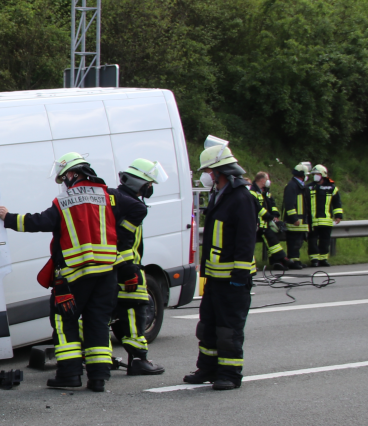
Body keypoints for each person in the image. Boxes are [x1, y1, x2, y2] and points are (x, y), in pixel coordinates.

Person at [0, 152, 119, 392]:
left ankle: (69, 375)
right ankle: (98, 378)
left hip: (74, 276)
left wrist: (8, 218)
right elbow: (133, 215)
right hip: (107, 274)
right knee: (98, 322)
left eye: (64, 177)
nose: (63, 183)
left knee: (64, 322)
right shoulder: (109, 195)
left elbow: (39, 222)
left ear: (73, 173)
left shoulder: (64, 202)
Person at [183, 141, 257, 391]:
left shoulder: (241, 198)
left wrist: (239, 273)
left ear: (218, 172)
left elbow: (246, 239)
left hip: (233, 280)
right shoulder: (220, 196)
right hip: (215, 278)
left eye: (208, 171)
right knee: (208, 326)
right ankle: (207, 368)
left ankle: (229, 374)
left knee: (229, 329)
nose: (206, 176)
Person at [109, 158, 166, 376]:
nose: (150, 188)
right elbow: (123, 239)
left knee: (102, 313)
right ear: (138, 183)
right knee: (135, 310)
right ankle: (139, 360)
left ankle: (98, 359)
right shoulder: (134, 206)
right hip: (126, 268)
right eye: (148, 184)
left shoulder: (114, 197)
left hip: (108, 268)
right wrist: (130, 270)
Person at [250, 171, 291, 269]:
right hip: (257, 224)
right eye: (267, 179)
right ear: (262, 180)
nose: (269, 181)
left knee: (273, 241)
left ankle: (277, 261)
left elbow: (272, 204)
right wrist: (270, 217)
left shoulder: (266, 192)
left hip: (266, 224)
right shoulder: (252, 192)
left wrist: (275, 215)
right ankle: (283, 259)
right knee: (269, 241)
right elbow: (258, 208)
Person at [306, 165, 342, 267]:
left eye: (317, 174)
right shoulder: (309, 187)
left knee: (325, 240)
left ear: (323, 175)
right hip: (312, 220)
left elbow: (337, 203)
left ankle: (323, 259)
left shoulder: (331, 188)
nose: (315, 176)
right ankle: (314, 259)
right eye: (314, 174)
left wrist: (338, 215)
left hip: (326, 220)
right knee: (312, 240)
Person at [282, 162, 312, 266]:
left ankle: (296, 260)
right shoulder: (292, 186)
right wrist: (294, 218)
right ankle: (293, 261)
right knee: (293, 242)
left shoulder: (301, 186)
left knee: (298, 242)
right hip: (294, 221)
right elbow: (289, 204)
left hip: (301, 221)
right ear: (302, 175)